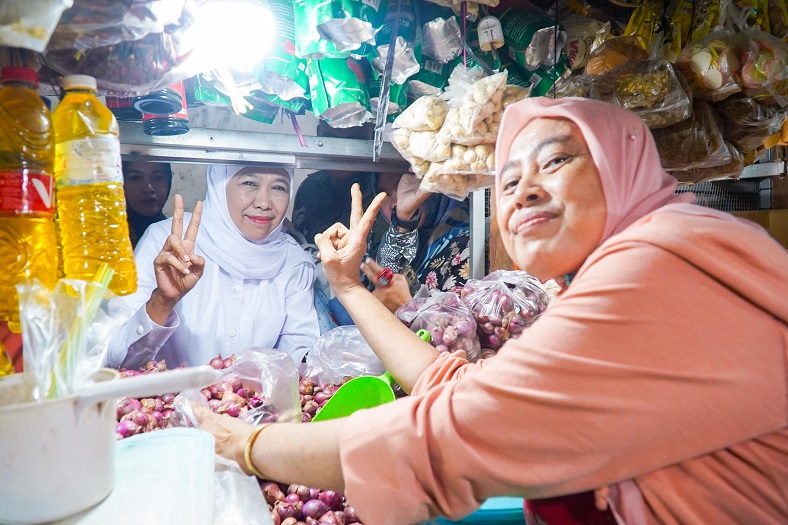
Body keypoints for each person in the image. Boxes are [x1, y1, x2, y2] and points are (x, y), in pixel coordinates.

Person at [195, 98, 788, 525]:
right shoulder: (631, 264)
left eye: (554, 163)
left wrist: (247, 445)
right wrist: (348, 288)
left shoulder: (664, 263)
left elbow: (454, 429)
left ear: (622, 168)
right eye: (507, 182)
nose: (524, 191)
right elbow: (461, 387)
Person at [106, 164, 319, 370]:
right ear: (219, 184)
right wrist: (162, 302)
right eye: (249, 182)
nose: (264, 202)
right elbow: (116, 360)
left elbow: (298, 359)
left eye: (278, 187)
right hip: (164, 403)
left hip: (257, 404)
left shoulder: (294, 263)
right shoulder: (167, 242)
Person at [122, 161, 173, 248]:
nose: (149, 188)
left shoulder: (173, 236)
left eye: (158, 177)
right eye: (136, 178)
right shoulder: (108, 237)